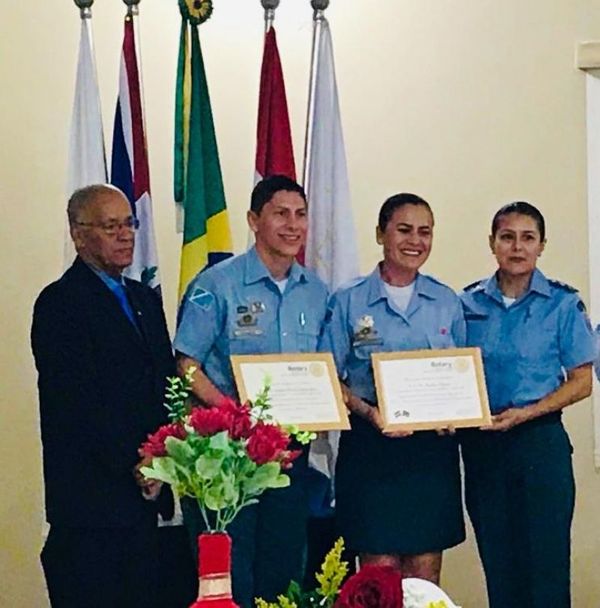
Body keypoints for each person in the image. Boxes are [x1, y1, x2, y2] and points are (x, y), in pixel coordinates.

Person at [173, 175, 329, 607]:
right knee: (228, 578)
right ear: (253, 220)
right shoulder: (217, 284)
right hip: (228, 457)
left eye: (300, 215)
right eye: (281, 213)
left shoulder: (316, 292)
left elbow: (324, 371)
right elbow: (186, 365)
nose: (293, 225)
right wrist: (235, 415)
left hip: (287, 455)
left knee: (281, 576)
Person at [31, 184, 175, 608]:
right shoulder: (61, 303)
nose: (126, 234)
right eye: (111, 226)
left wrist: (161, 457)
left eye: (129, 223)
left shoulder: (144, 299)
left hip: (145, 504)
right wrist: (136, 463)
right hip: (91, 507)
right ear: (78, 234)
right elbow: (77, 405)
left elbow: (164, 385)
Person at [320, 193, 465, 584]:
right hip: (372, 448)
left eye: (425, 232)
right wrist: (370, 413)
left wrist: (457, 413)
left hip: (430, 453)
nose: (415, 241)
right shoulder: (348, 300)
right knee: (378, 573)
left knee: (423, 574)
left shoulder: (447, 301)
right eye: (404, 230)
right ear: (380, 234)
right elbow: (328, 375)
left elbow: (461, 373)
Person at [460, 201, 595, 608]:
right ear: (492, 243)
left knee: (546, 567)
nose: (517, 247)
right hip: (483, 446)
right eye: (507, 237)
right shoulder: (466, 305)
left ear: (541, 246)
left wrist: (529, 412)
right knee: (499, 565)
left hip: (539, 444)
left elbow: (582, 382)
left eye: (527, 238)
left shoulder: (562, 304)